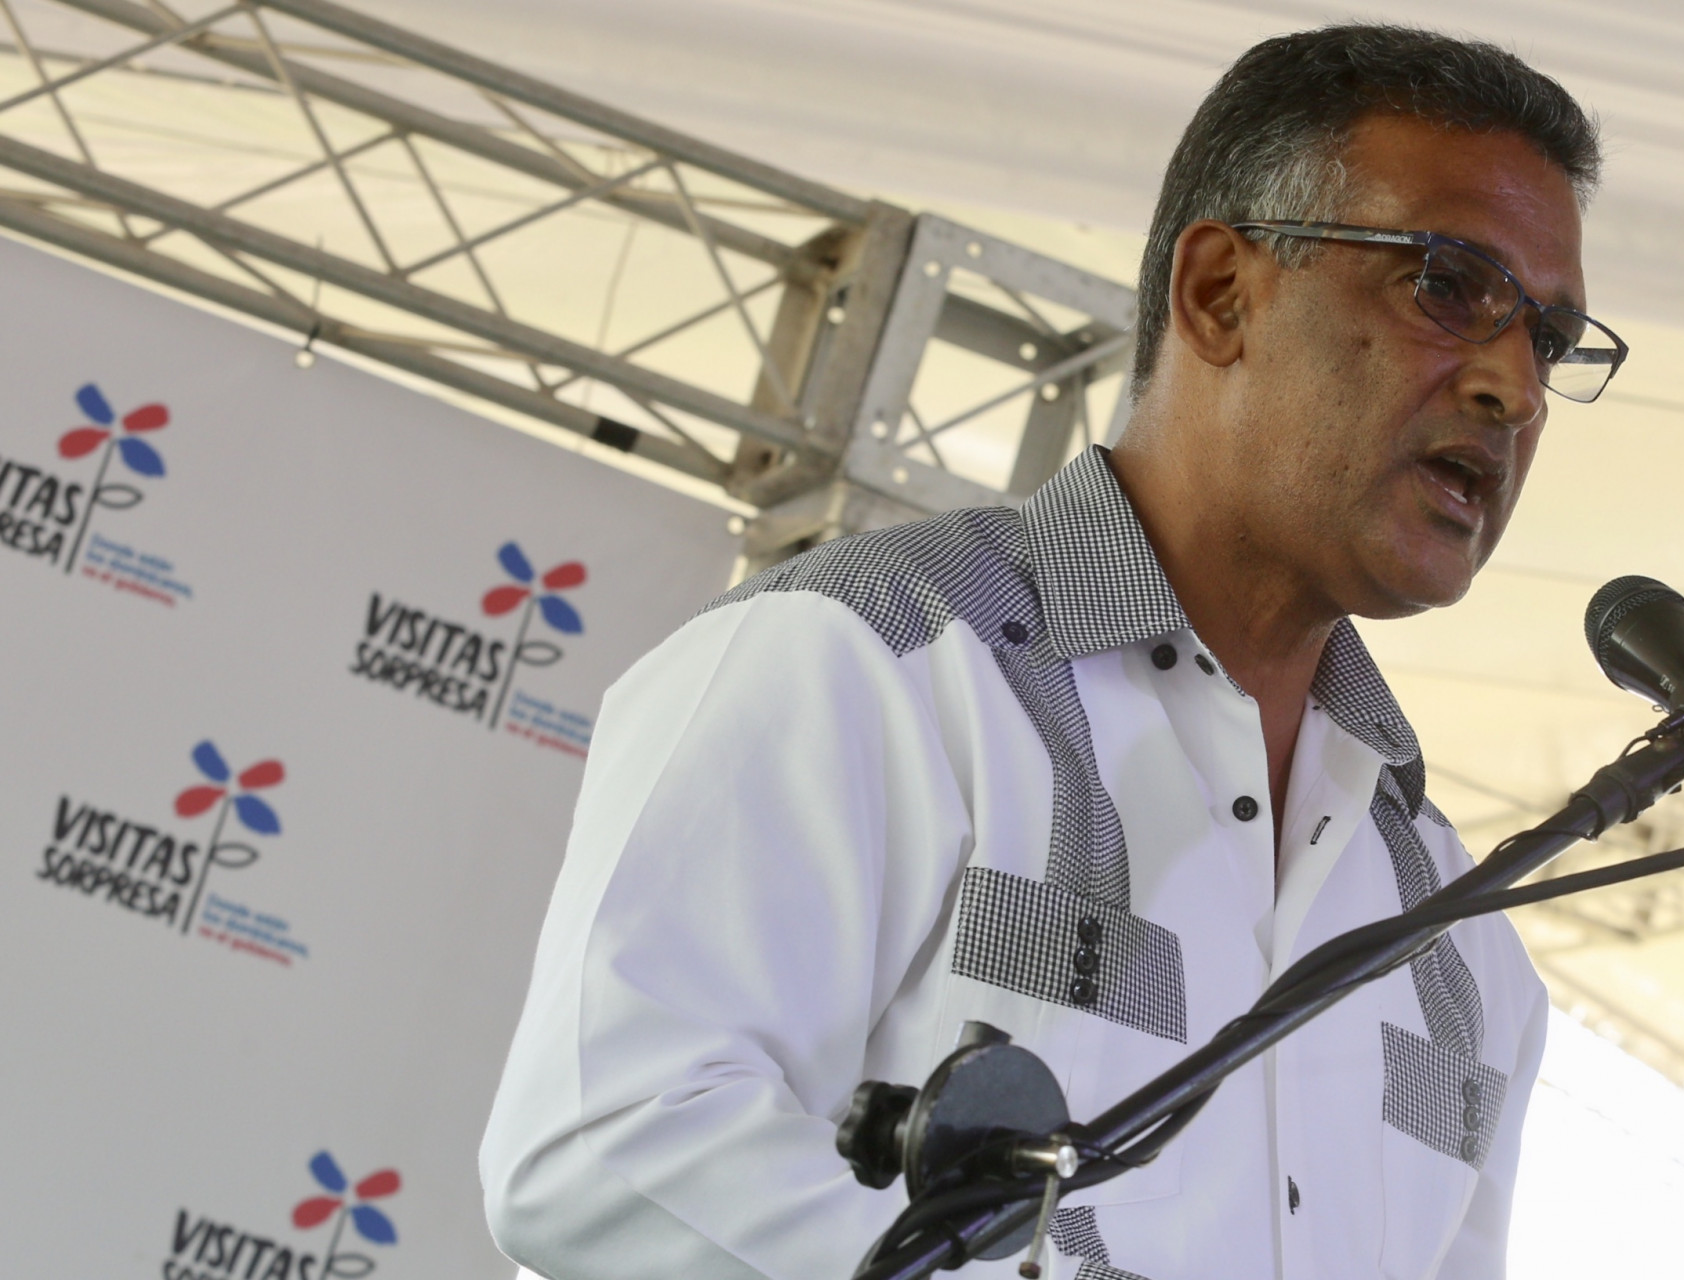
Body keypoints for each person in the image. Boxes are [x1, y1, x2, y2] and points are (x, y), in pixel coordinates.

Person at [481, 23, 1622, 1280]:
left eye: (1550, 339)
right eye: (1449, 286)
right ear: (1220, 294)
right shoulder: (871, 662)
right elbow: (606, 1141)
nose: (1515, 386)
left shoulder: (1461, 935)